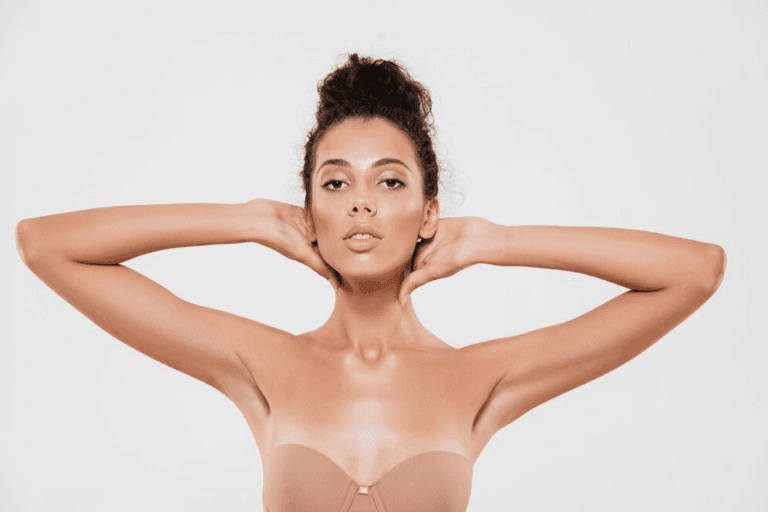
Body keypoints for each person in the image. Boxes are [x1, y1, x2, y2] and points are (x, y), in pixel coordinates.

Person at [15, 53, 726, 512]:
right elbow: (46, 247)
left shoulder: (482, 376)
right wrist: (247, 219)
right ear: (310, 210)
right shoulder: (261, 363)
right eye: (335, 182)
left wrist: (497, 241)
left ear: (428, 211)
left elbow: (695, 273)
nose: (361, 203)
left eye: (390, 182)